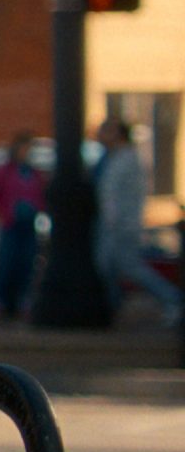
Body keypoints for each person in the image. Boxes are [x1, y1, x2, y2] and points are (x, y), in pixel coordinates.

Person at [94, 115, 182, 327]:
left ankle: (173, 299)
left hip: (122, 226)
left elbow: (113, 196)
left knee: (130, 267)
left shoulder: (126, 160)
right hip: (114, 225)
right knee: (106, 267)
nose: (101, 135)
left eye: (107, 130)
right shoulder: (113, 158)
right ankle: (110, 310)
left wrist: (116, 221)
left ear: (119, 135)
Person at [0, 131, 47, 320]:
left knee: (27, 263)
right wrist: (0, 211)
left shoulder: (34, 173)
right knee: (6, 262)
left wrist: (37, 208)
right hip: (10, 223)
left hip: (29, 224)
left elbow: (42, 195)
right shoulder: (4, 172)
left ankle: (23, 302)